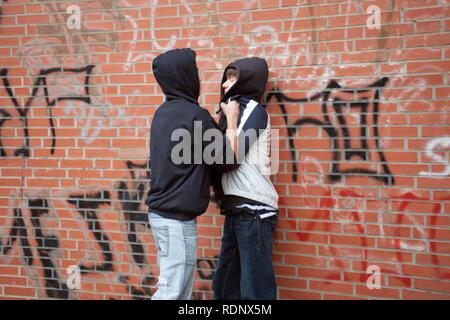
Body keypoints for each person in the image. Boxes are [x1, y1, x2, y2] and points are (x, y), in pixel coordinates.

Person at [145, 48, 240, 300]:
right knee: (172, 291)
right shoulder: (194, 115)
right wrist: (231, 120)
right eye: (195, 72)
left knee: (179, 291)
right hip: (175, 221)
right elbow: (228, 159)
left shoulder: (162, 113)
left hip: (162, 216)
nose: (198, 77)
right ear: (185, 77)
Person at [212, 57, 279, 300]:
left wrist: (230, 118)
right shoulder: (230, 110)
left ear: (248, 79)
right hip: (237, 209)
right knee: (224, 286)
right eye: (226, 76)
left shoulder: (252, 110)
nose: (225, 83)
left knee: (255, 291)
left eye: (233, 77)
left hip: (255, 211)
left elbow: (231, 156)